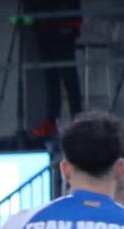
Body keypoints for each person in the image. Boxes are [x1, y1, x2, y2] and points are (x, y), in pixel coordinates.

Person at [27, 0, 83, 138]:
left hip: (63, 30)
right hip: (45, 30)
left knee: (69, 79)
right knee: (51, 78)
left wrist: (73, 24)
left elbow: (75, 7)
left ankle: (79, 122)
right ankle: (53, 121)